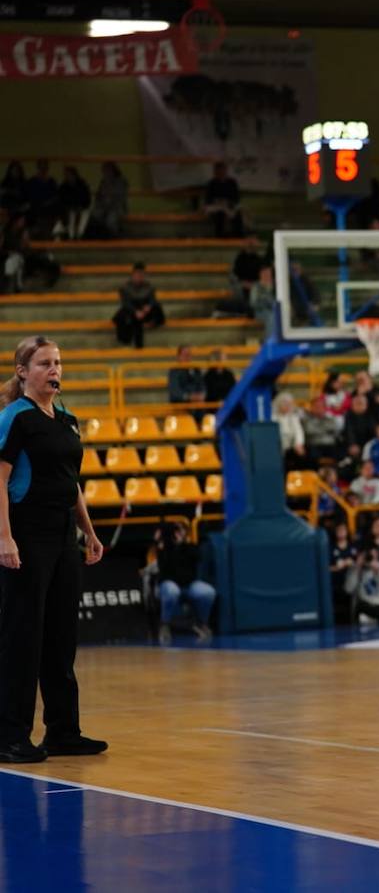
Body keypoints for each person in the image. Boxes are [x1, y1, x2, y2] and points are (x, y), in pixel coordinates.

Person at [0, 336, 107, 762]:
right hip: (26, 534)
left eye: (58, 362)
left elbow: (71, 482)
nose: (54, 370)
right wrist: (4, 538)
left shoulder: (67, 419)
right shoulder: (15, 418)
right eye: (44, 363)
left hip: (64, 535)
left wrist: (90, 532)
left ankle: (63, 732)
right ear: (23, 371)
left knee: (62, 635)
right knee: (22, 635)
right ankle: (10, 736)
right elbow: (1, 482)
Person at [151, 521, 215, 643]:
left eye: (181, 530)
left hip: (188, 585)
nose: (178, 533)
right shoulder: (164, 550)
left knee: (208, 592)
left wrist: (181, 544)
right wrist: (162, 544)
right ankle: (165, 624)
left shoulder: (189, 547)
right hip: (167, 585)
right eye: (176, 531)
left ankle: (201, 623)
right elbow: (164, 568)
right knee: (172, 590)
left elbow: (198, 556)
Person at [113, 262, 165, 349]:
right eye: (137, 274)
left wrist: (149, 306)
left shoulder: (149, 286)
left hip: (145, 311)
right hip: (132, 312)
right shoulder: (125, 288)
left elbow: (153, 300)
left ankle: (151, 323)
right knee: (130, 318)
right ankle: (136, 345)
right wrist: (135, 311)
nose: (139, 277)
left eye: (142, 275)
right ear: (133, 275)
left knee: (157, 307)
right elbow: (125, 303)